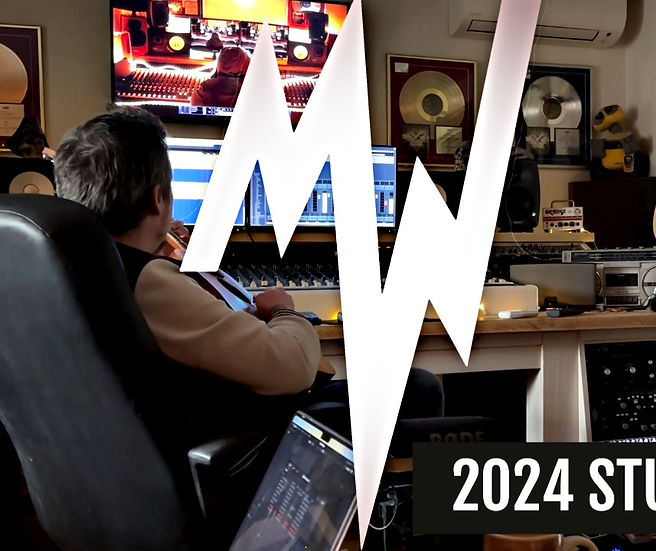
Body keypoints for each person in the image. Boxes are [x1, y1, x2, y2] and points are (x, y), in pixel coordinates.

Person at [52, 107, 444, 531]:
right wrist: (285, 311)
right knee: (421, 392)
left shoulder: (83, 270)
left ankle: (380, 517)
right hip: (245, 433)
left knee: (415, 387)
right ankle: (393, 523)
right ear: (157, 198)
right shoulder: (149, 281)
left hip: (169, 445)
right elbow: (291, 367)